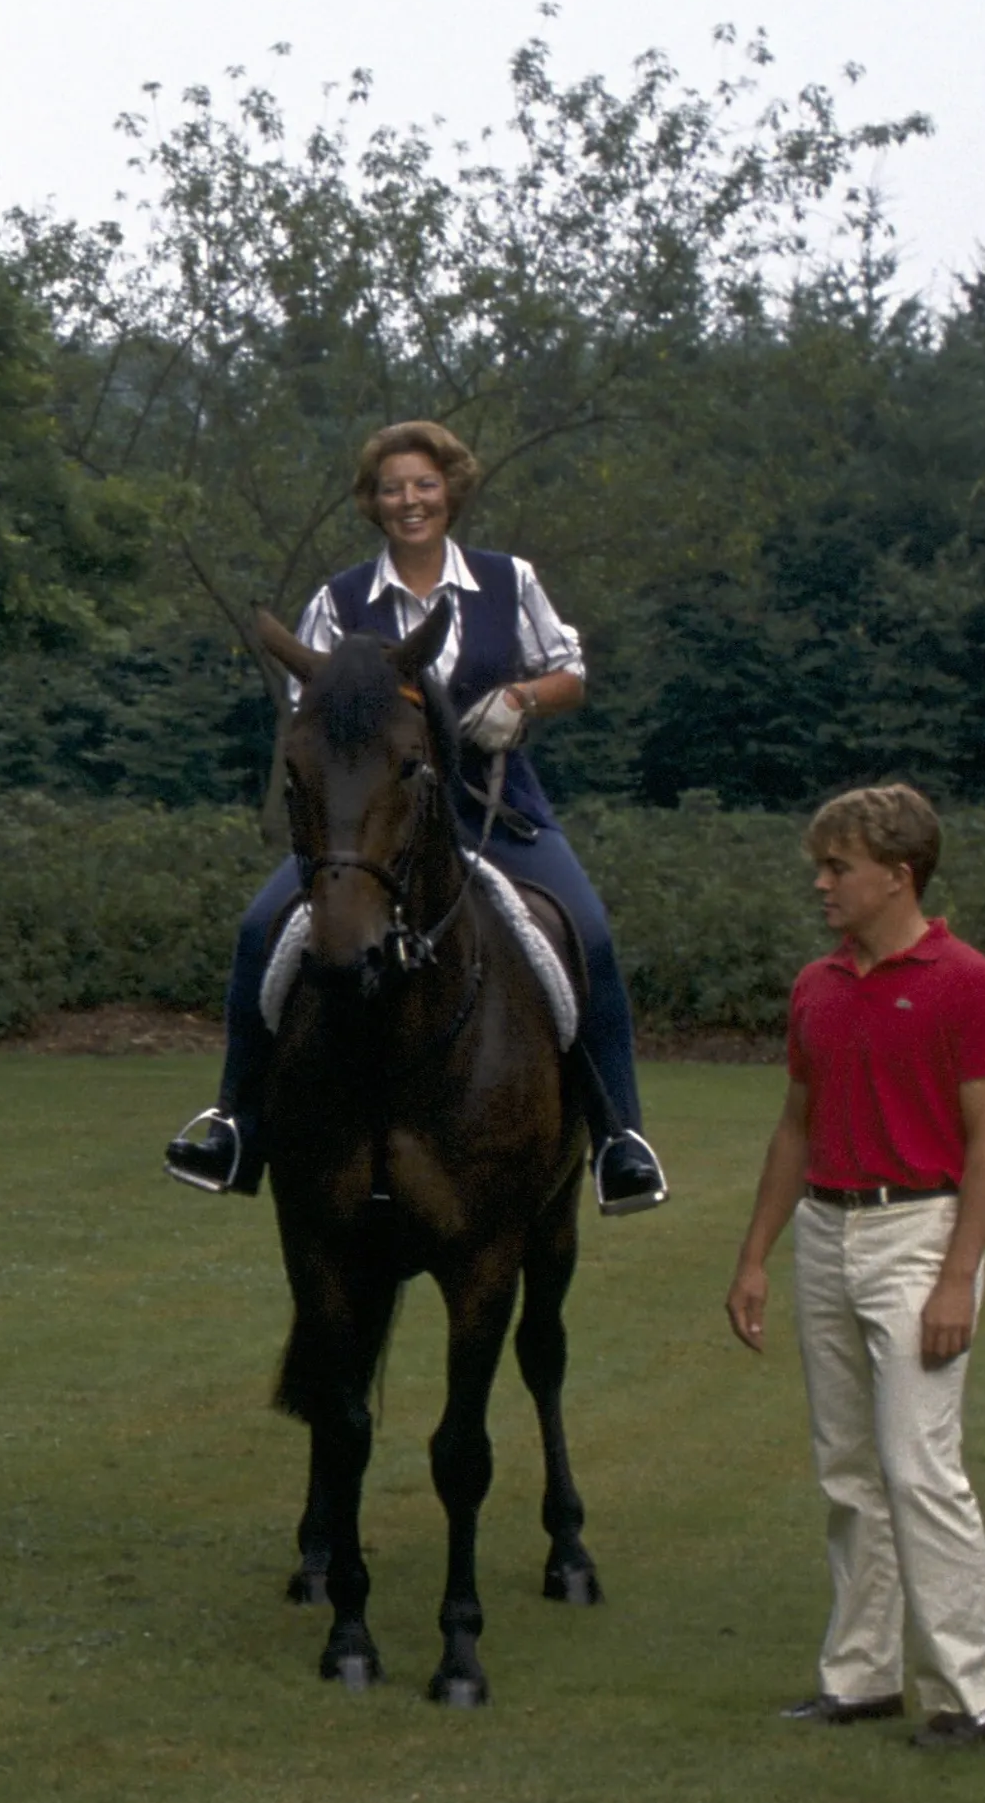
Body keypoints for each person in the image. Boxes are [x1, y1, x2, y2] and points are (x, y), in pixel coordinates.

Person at [164, 419, 668, 1213]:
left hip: (495, 808)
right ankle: (234, 1122)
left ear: (451, 490)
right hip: (373, 822)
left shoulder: (509, 581)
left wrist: (521, 697)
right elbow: (309, 715)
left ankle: (619, 1139)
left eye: (424, 485)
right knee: (262, 929)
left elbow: (569, 671)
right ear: (372, 500)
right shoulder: (338, 600)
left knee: (589, 930)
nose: (410, 501)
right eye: (393, 487)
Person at [723, 784, 985, 1752]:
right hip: (826, 1230)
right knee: (848, 1470)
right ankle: (861, 1679)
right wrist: (756, 1257)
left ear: (899, 875)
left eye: (838, 867)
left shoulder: (968, 982)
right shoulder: (817, 985)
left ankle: (972, 1695)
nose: (822, 883)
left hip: (918, 1235)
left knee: (918, 1468)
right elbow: (795, 1126)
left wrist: (955, 1278)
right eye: (822, 865)